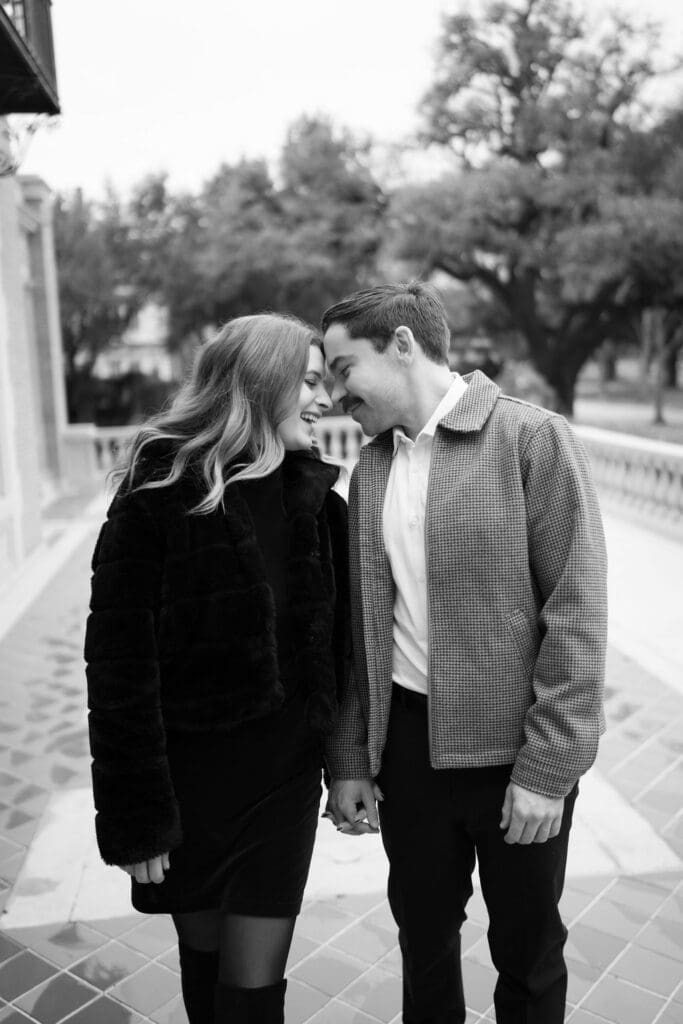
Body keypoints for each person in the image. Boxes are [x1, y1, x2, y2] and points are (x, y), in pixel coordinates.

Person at [322, 282, 608, 1024]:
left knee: (527, 954)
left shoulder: (531, 439)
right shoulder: (372, 466)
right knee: (422, 945)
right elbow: (361, 630)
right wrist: (351, 757)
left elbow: (575, 614)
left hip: (515, 752)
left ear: (404, 345)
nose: (331, 394)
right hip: (407, 758)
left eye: (343, 367)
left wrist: (547, 771)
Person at [85, 313, 349, 1024]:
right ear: (263, 383)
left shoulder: (317, 504)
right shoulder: (158, 494)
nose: (325, 400)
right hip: (187, 785)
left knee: (252, 990)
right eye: (312, 382)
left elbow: (344, 655)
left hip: (283, 786)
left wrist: (348, 765)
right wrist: (138, 818)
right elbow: (118, 670)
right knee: (204, 977)